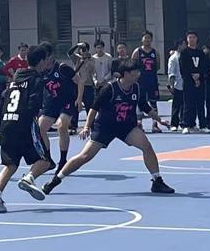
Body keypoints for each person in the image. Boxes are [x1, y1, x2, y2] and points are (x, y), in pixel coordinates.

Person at [42, 59, 174, 196]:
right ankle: (56, 180)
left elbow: (145, 107)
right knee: (85, 156)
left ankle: (157, 180)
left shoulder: (137, 88)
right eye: (135, 72)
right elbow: (94, 108)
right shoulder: (110, 89)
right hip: (105, 127)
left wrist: (160, 120)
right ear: (126, 73)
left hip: (127, 127)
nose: (138, 74)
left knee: (146, 146)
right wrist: (87, 127)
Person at [0, 44, 56, 214]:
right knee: (45, 161)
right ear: (41, 61)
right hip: (24, 125)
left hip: (7, 123)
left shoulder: (16, 78)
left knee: (10, 164)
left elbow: (3, 99)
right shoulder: (37, 80)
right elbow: (33, 104)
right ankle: (29, 178)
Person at [37, 45, 81, 173]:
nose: (44, 61)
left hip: (67, 101)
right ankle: (48, 159)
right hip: (52, 102)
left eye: (46, 57)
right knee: (40, 128)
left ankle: (63, 160)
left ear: (51, 57)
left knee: (61, 126)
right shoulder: (41, 72)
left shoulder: (62, 68)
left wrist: (79, 98)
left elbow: (80, 81)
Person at [131, 31, 162, 133]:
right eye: (145, 38)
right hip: (140, 82)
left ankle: (155, 124)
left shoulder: (155, 52)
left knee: (153, 102)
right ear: (142, 39)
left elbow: (158, 66)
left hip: (152, 81)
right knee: (140, 102)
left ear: (151, 39)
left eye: (149, 38)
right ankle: (139, 123)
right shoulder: (137, 52)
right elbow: (132, 66)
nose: (147, 40)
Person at [179, 31, 209, 133]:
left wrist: (199, 76)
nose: (191, 39)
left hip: (200, 82)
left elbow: (204, 67)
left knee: (200, 104)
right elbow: (183, 68)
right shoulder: (184, 53)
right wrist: (192, 78)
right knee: (188, 104)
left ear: (197, 39)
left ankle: (203, 125)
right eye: (189, 37)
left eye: (193, 37)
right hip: (188, 82)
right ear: (187, 39)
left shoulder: (201, 53)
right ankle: (187, 125)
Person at [167, 41, 183, 132]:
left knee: (185, 106)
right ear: (179, 46)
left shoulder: (185, 56)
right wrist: (172, 85)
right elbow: (171, 73)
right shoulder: (173, 58)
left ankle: (183, 122)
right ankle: (174, 124)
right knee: (176, 106)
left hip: (186, 84)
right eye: (184, 44)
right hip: (177, 84)